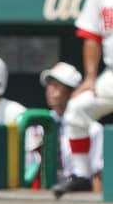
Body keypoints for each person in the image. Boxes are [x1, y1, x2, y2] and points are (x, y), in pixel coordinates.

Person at [56, 0, 113, 198]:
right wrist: (90, 77)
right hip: (111, 75)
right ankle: (81, 175)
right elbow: (91, 35)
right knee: (76, 109)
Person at [29, 62, 103, 196]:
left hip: (79, 194)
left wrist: (96, 203)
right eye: (50, 85)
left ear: (73, 91)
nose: (51, 90)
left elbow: (97, 172)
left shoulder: (93, 129)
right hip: (44, 192)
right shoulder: (39, 124)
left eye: (57, 85)